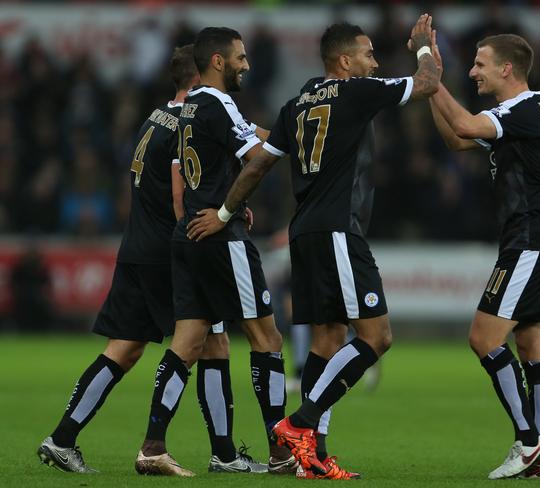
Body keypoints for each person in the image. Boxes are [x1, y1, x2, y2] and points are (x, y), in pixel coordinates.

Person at [195, 16, 441, 479]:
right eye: (368, 54)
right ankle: (298, 425)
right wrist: (425, 46)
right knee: (377, 336)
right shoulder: (356, 91)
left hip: (303, 233)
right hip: (338, 232)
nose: (374, 61)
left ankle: (314, 457)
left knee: (327, 341)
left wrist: (225, 213)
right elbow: (427, 83)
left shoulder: (297, 103)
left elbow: (256, 167)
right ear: (345, 61)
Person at [36, 45, 253, 475]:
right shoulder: (190, 122)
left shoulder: (156, 118)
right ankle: (217, 453)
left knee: (124, 349)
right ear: (201, 78)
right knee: (211, 343)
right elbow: (179, 194)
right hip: (170, 250)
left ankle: (62, 439)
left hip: (136, 245)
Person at [135, 27, 296, 476]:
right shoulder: (219, 102)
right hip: (219, 237)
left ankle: (153, 447)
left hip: (188, 234)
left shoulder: (189, 107)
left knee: (190, 342)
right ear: (219, 62)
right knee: (268, 339)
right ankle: (282, 452)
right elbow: (258, 157)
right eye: (241, 57)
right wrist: (227, 210)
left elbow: (242, 140)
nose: (247, 64)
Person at [427, 34, 540, 479]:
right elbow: (457, 140)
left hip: (530, 240)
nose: (473, 72)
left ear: (507, 69)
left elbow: (466, 126)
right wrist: (434, 87)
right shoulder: (521, 115)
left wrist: (429, 78)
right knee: (532, 345)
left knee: (484, 338)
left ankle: (529, 441)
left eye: (480, 64)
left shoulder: (524, 109)